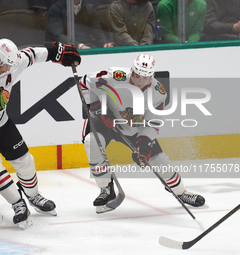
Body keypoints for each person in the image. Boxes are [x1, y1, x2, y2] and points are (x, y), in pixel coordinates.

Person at [0, 39, 81, 228]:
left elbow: (33, 54)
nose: (8, 70)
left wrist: (57, 51)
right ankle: (17, 203)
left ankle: (33, 195)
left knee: (25, 160)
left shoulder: (12, 63)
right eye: (5, 65)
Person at [79, 53, 205, 213]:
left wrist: (144, 143)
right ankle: (106, 189)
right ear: (131, 71)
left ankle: (180, 192)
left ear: (151, 76)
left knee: (159, 160)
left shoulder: (158, 93)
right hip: (105, 121)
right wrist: (98, 109)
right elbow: (83, 83)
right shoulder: (114, 76)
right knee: (92, 142)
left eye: (144, 78)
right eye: (136, 76)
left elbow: (152, 122)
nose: (139, 81)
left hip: (134, 127)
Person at [46, 0, 113, 49]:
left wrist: (104, 43)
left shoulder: (89, 7)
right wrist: (79, 45)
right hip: (63, 50)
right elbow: (57, 35)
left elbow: (97, 30)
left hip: (87, 47)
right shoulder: (56, 9)